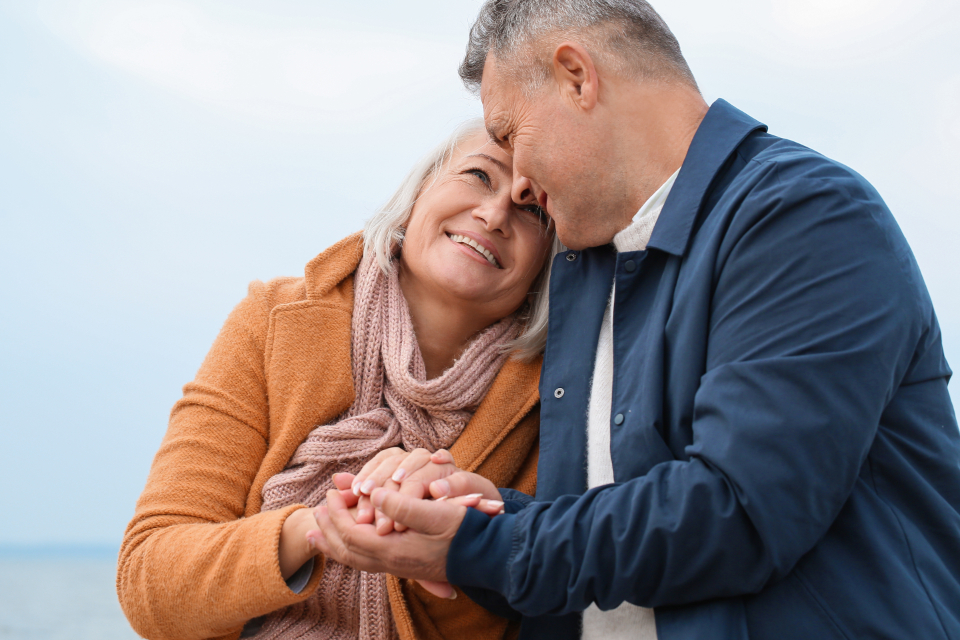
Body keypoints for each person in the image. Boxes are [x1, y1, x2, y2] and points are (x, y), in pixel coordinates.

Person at [308, 2, 960, 639]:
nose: (520, 180)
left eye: (509, 134)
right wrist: (483, 513)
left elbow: (739, 514)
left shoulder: (806, 216)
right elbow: (595, 528)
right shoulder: (585, 268)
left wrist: (485, 541)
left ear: (577, 76)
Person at [116, 119, 559, 640]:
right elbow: (151, 584)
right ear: (418, 193)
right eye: (479, 176)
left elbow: (541, 607)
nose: (494, 213)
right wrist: (321, 526)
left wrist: (448, 525)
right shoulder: (273, 321)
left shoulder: (556, 388)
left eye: (532, 208)